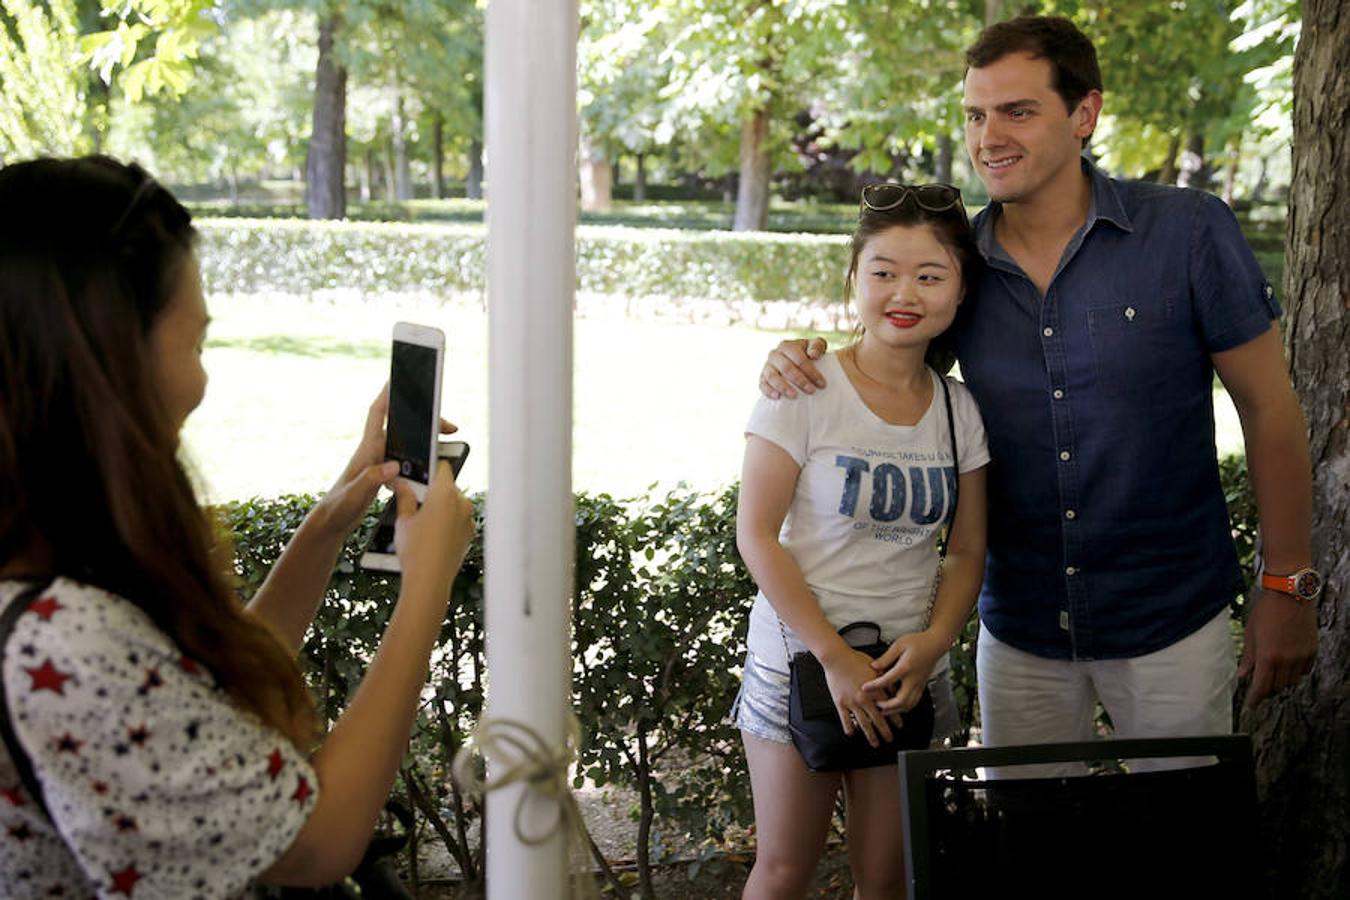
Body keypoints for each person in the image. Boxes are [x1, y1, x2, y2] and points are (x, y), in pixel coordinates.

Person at [759, 16, 1318, 769]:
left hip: (1171, 620)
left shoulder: (1186, 233)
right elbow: (884, 357)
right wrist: (797, 357)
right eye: (976, 114)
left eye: (1017, 111)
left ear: (1084, 114)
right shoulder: (960, 267)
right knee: (1028, 854)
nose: (989, 136)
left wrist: (1287, 584)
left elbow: (1270, 409)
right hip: (1021, 630)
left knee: (1183, 848)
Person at [0, 155, 475, 896]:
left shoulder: (50, 579)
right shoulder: (62, 638)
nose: (201, 382)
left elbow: (197, 706)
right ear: (106, 365)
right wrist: (425, 591)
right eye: (193, 345)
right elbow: (315, 845)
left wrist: (330, 519)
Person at [733, 183, 989, 898]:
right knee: (784, 869)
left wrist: (934, 642)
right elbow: (756, 535)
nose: (904, 292)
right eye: (883, 272)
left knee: (886, 878)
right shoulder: (804, 389)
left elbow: (967, 549)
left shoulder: (958, 409)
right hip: (800, 671)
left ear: (961, 289)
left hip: (905, 675)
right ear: (855, 278)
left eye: (930, 275)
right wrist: (835, 656)